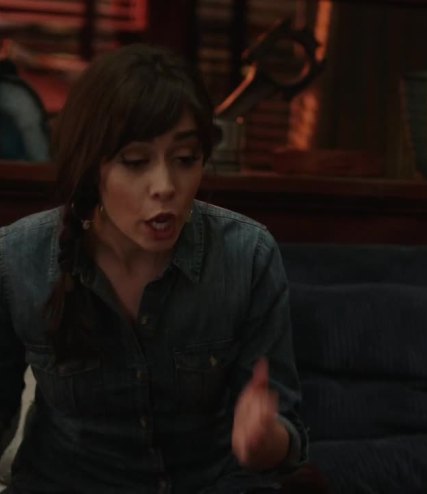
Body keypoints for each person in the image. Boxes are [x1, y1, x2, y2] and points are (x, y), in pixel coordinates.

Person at [0, 43, 308, 493]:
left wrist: (264, 443)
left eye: (185, 160)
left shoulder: (247, 255)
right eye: (135, 162)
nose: (165, 186)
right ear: (91, 165)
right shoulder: (18, 258)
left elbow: (286, 432)